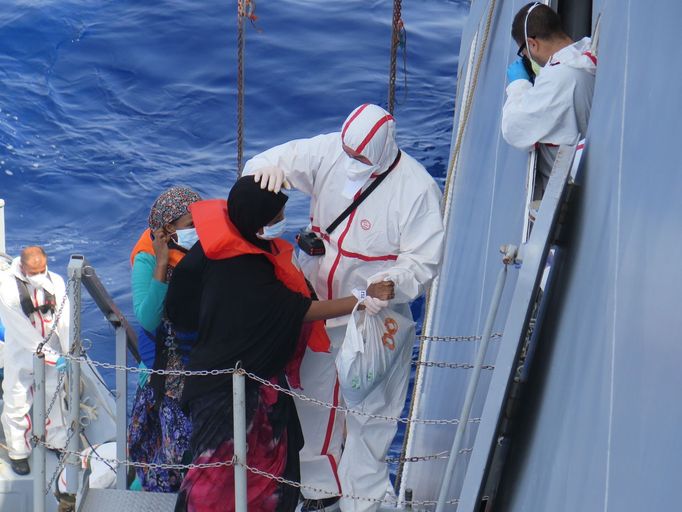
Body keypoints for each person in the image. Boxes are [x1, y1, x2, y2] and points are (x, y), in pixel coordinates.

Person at [243, 103, 444, 512]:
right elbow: (269, 162)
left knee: (371, 416)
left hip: (373, 317)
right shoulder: (330, 151)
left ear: (383, 150)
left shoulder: (417, 190)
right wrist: (264, 170)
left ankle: (364, 502)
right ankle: (321, 496)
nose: (350, 162)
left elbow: (424, 260)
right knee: (311, 402)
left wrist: (394, 282)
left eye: (360, 158)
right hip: (316, 306)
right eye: (348, 154)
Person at [171, 176, 394, 512]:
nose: (279, 224)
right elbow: (302, 310)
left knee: (240, 473)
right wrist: (363, 297)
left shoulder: (213, 250)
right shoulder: (246, 272)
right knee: (219, 480)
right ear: (254, 221)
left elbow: (180, 308)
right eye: (274, 219)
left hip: (216, 376)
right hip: (231, 391)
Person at [127, 186, 202, 492]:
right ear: (168, 229)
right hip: (167, 375)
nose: (198, 229)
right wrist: (161, 263)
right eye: (190, 225)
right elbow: (147, 318)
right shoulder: (147, 259)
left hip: (202, 364)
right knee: (162, 451)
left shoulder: (204, 250)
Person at [502, 2, 596, 199]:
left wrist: (519, 84)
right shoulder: (587, 51)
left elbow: (513, 128)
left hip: (571, 192)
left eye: (524, 52)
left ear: (532, 44)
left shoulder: (559, 79)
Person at [0, 246, 69, 475]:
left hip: (53, 351)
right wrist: (50, 356)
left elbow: (64, 319)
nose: (39, 275)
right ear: (23, 267)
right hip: (21, 352)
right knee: (17, 397)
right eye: (33, 272)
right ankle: (18, 451)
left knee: (55, 396)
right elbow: (21, 331)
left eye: (42, 270)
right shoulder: (8, 288)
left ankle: (56, 440)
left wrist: (67, 353)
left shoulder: (56, 282)